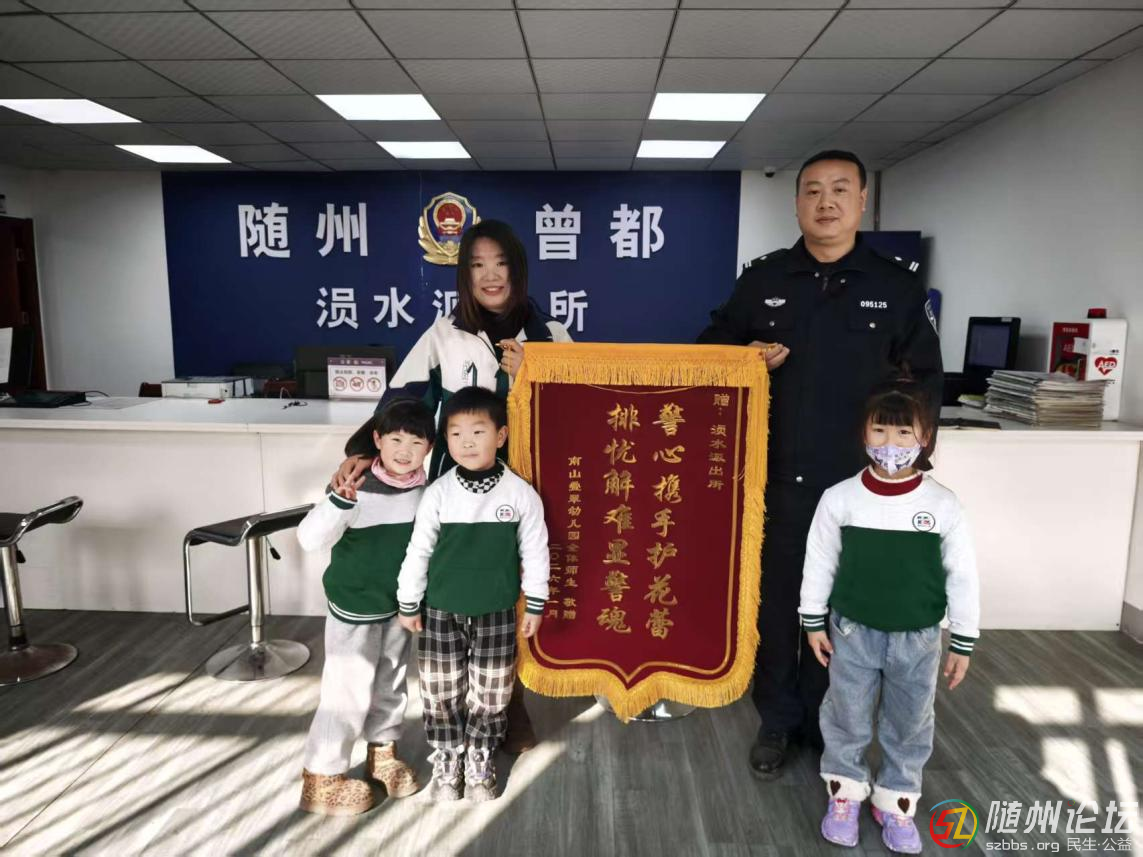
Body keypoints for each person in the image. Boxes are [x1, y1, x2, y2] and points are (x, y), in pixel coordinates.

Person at [697, 150, 944, 779]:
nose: (825, 202)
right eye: (812, 190)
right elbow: (709, 349)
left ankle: (828, 722)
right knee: (779, 602)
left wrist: (908, 467)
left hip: (861, 485)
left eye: (839, 190)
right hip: (777, 478)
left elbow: (925, 382)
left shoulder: (895, 286)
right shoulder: (764, 279)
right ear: (797, 203)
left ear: (862, 201)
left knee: (846, 606)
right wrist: (746, 354)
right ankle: (778, 720)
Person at [336, 218, 571, 753]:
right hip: (458, 491)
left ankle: (508, 700)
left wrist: (537, 370)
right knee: (456, 591)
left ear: (519, 270)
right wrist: (363, 451)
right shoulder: (444, 334)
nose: (491, 275)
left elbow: (584, 406)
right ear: (464, 274)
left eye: (501, 263)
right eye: (478, 265)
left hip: (528, 486)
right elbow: (403, 402)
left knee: (512, 591)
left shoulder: (550, 335)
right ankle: (455, 705)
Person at [799, 382, 978, 853]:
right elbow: (820, 560)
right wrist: (812, 619)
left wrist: (963, 638)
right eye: (880, 430)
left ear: (925, 437)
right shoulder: (840, 498)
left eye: (903, 432)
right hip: (851, 630)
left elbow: (963, 575)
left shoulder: (942, 504)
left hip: (919, 637)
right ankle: (845, 792)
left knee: (910, 721)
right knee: (846, 713)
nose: (891, 443)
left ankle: (896, 800)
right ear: (863, 434)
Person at [396, 386, 550, 802]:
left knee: (492, 689)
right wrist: (409, 601)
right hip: (441, 611)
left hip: (496, 610)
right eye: (456, 434)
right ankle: (448, 758)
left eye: (477, 432)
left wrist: (536, 602)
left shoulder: (519, 493)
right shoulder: (439, 493)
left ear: (500, 436)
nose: (466, 442)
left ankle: (480, 756)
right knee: (440, 688)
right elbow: (419, 550)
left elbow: (536, 551)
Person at [295, 398, 436, 816]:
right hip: (354, 607)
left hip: (398, 608)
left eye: (416, 442)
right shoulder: (354, 486)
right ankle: (322, 775)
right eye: (395, 440)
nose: (404, 451)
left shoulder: (425, 490)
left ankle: (383, 753)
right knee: (347, 690)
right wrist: (338, 502)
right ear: (377, 440)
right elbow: (308, 539)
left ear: (429, 448)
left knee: (391, 683)